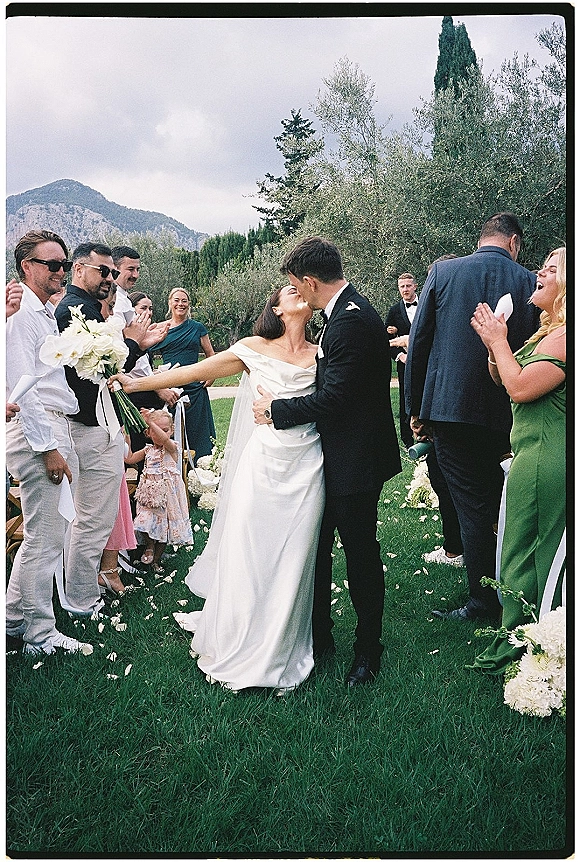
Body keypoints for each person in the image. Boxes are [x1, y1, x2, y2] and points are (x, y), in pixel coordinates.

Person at [111, 284, 324, 693]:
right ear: (277, 309)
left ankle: (281, 647)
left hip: (307, 467)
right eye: (288, 289)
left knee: (293, 557)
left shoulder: (321, 354)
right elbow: (193, 372)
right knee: (251, 551)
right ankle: (239, 637)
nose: (298, 290)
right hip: (263, 466)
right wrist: (135, 384)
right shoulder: (253, 347)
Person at [253, 237, 402, 687]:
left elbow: (335, 398)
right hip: (332, 458)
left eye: (297, 284)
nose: (297, 292)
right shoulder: (344, 313)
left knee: (360, 555)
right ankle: (320, 638)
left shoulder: (350, 322)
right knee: (316, 550)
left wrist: (276, 410)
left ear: (310, 281)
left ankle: (368, 650)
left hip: (355, 462)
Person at [405, 212, 539, 622]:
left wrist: (415, 409)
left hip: (451, 409)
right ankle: (521, 588)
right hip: (511, 410)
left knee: (471, 508)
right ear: (514, 242)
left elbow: (419, 342)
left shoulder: (444, 272)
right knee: (506, 502)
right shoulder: (530, 281)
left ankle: (483, 601)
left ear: (483, 238)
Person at [54, 242, 169, 618]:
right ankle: (81, 599)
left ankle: (82, 593)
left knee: (95, 518)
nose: (109, 277)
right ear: (78, 270)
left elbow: (108, 367)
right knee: (93, 519)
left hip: (96, 422)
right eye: (102, 270)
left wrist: (137, 346)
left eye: (111, 272)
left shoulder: (85, 308)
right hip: (88, 426)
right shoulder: (76, 310)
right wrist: (132, 342)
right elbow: (98, 370)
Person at [468, 247, 566, 672]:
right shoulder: (549, 331)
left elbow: (522, 388)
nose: (539, 272)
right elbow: (503, 377)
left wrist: (498, 340)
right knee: (518, 546)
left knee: (533, 549)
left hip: (549, 456)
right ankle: (526, 634)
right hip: (531, 450)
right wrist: (495, 348)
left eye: (551, 268)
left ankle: (536, 643)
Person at [5, 230, 92, 655]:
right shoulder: (21, 313)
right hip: (38, 432)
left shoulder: (42, 312)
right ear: (27, 267)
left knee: (44, 534)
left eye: (65, 264)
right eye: (53, 264)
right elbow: (24, 388)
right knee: (45, 538)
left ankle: (12, 619)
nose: (62, 271)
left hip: (52, 426)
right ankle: (40, 634)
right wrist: (47, 448)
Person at [149, 287, 216, 464]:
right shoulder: (161, 328)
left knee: (199, 432)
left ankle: (201, 469)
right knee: (171, 431)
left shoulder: (197, 328)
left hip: (195, 389)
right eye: (176, 300)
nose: (180, 304)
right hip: (170, 389)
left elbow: (210, 354)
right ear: (170, 303)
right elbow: (143, 355)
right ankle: (173, 470)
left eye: (184, 300)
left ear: (189, 304)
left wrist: (211, 375)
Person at [126, 410, 193, 573]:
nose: (161, 434)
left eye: (166, 430)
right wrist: (126, 434)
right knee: (143, 521)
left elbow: (164, 440)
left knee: (164, 529)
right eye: (155, 430)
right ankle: (149, 545)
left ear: (172, 430)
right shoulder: (147, 450)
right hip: (148, 494)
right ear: (148, 433)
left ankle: (156, 561)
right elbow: (129, 458)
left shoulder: (172, 447)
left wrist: (150, 422)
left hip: (166, 496)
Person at [385, 273, 419, 448]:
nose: (405, 289)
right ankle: (407, 440)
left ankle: (428, 435)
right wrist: (401, 356)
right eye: (402, 286)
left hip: (427, 362)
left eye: (408, 286)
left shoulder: (426, 305)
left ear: (415, 286)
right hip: (404, 364)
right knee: (406, 399)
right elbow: (386, 341)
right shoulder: (394, 311)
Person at [111, 245, 141, 326]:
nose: (136, 275)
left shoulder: (123, 296)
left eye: (137, 270)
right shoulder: (114, 299)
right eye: (131, 269)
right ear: (114, 269)